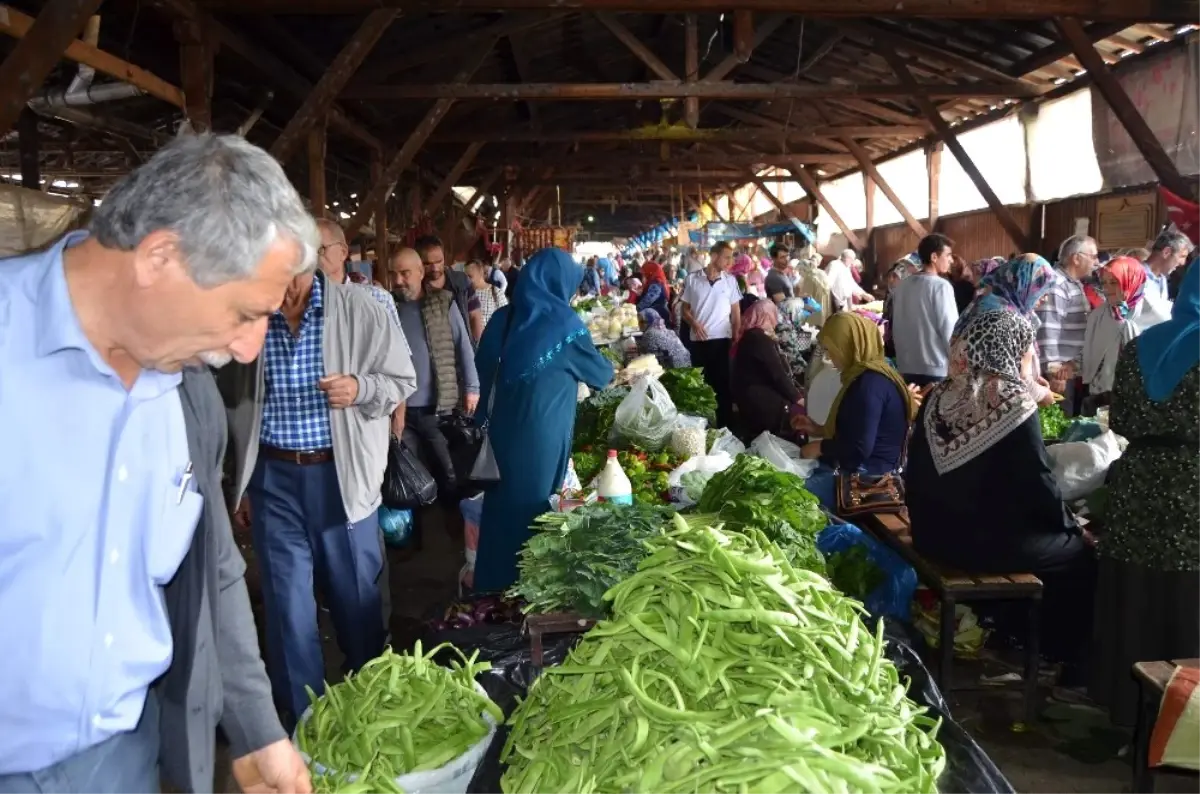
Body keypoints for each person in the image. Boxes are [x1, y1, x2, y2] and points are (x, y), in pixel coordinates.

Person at [0, 134, 317, 794]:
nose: (248, 346)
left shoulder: (189, 395)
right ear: (158, 257)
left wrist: (257, 730)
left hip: (123, 759)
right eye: (243, 312)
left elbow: (214, 565)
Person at [907, 310, 1094, 683]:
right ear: (1010, 349)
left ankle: (1006, 629)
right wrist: (1070, 525)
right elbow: (1037, 482)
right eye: (1027, 350)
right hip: (981, 546)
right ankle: (1059, 658)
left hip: (930, 533)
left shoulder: (940, 394)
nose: (1028, 358)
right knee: (1079, 554)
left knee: (1039, 539)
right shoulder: (1011, 401)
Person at [1089, 261, 1200, 724]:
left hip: (1138, 483)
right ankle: (1182, 722)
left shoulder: (1140, 347)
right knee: (1185, 599)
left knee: (1135, 593)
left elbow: (1122, 420)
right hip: (1193, 490)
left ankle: (1127, 710)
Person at [472, 249, 614, 592]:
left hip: (499, 437)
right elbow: (601, 374)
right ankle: (527, 593)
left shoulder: (503, 319)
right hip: (541, 439)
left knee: (499, 512)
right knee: (534, 513)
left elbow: (481, 369)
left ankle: (492, 590)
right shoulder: (564, 324)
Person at [794, 312, 913, 510]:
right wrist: (818, 429)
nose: (829, 356)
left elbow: (860, 447)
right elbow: (859, 428)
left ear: (850, 345)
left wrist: (820, 447)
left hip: (868, 479)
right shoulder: (868, 376)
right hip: (867, 470)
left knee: (791, 493)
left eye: (832, 349)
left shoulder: (869, 385)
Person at [390, 248, 480, 493]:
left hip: (437, 409)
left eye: (404, 273)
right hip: (400, 411)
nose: (398, 281)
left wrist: (472, 387)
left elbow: (464, 345)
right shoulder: (386, 306)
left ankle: (453, 523)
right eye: (393, 274)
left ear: (420, 272)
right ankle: (418, 527)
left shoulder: (443, 302)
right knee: (409, 474)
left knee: (448, 472)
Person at [954, 254, 1058, 408]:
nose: (1045, 298)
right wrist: (1041, 393)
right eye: (1040, 288)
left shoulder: (986, 303)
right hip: (989, 412)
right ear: (1022, 284)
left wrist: (1033, 377)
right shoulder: (1006, 319)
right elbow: (1008, 381)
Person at [1035, 234, 1098, 414]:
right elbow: (1047, 330)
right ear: (1076, 258)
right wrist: (1054, 373)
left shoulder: (1073, 283)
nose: (1096, 262)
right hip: (1059, 375)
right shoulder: (1057, 284)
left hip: (1069, 370)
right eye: (1092, 256)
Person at [681, 241, 742, 428]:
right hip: (698, 341)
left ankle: (724, 426)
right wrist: (694, 324)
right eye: (726, 257)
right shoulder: (693, 279)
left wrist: (736, 335)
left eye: (731, 257)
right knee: (701, 384)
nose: (729, 261)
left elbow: (736, 313)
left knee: (722, 385)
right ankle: (702, 425)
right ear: (714, 256)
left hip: (722, 340)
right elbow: (684, 309)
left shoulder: (730, 281)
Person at [889, 233, 959, 386]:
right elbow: (949, 330)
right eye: (948, 255)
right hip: (935, 368)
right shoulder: (940, 286)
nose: (951, 260)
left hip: (905, 365)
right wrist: (957, 363)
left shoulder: (902, 286)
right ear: (934, 257)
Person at [731, 300, 804, 440]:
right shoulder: (758, 338)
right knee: (799, 410)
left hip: (747, 396)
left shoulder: (751, 335)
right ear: (767, 316)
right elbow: (777, 374)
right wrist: (798, 398)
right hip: (759, 401)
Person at [1081, 256, 1147, 404]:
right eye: (1104, 283)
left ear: (1131, 281)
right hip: (1102, 395)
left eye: (1114, 282)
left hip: (1138, 398)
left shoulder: (1153, 313)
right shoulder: (1099, 316)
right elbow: (1088, 353)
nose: (1107, 289)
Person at [415, 234, 483, 341]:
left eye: (439, 261)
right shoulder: (417, 289)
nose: (435, 268)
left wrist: (476, 348)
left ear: (444, 257)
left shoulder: (461, 282)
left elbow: (475, 316)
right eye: (427, 263)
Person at [1142, 227, 1193, 309]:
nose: (1182, 263)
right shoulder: (1134, 274)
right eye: (1181, 256)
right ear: (1166, 252)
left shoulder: (1162, 280)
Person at [466, 257, 509, 333]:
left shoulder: (496, 292)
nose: (467, 280)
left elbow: (506, 319)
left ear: (480, 273)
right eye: (465, 277)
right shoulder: (466, 294)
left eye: (470, 276)